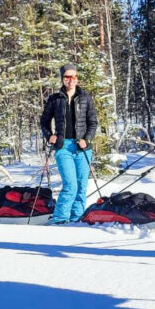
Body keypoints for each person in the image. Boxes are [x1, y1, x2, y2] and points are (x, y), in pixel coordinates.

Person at [39, 64, 98, 224]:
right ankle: (60, 220)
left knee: (81, 187)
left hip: (82, 148)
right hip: (63, 146)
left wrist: (87, 139)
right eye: (67, 77)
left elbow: (93, 122)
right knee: (70, 185)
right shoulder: (55, 99)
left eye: (73, 77)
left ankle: (76, 220)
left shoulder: (86, 98)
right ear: (62, 79)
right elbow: (44, 121)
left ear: (77, 78)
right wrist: (49, 136)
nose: (70, 80)